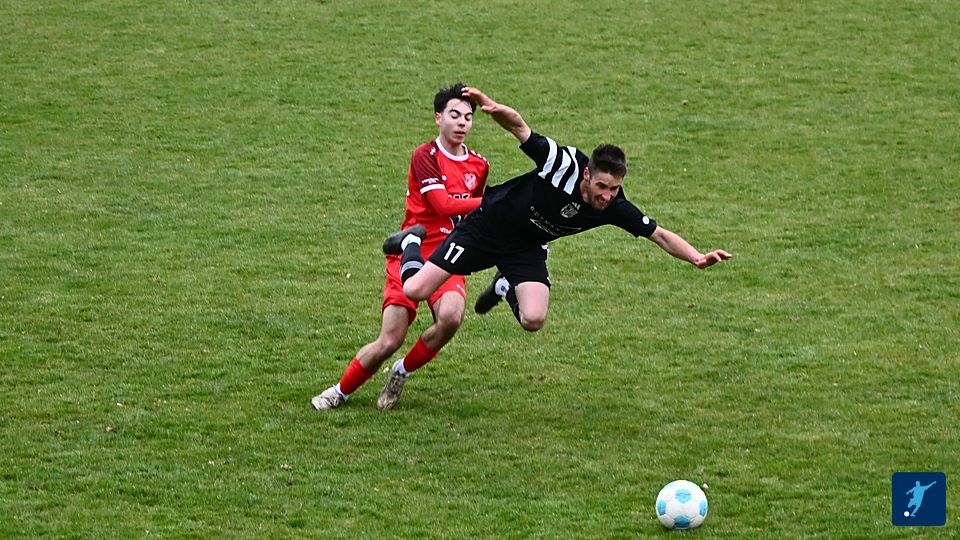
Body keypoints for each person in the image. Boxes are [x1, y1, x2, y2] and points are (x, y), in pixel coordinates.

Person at [390, 86, 731, 332]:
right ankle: (409, 242)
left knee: (534, 320)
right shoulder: (562, 164)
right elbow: (521, 128)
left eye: (613, 189)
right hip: (487, 227)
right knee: (415, 290)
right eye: (601, 187)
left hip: (525, 246)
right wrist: (494, 108)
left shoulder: (614, 206)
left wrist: (696, 257)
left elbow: (659, 235)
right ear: (587, 174)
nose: (606, 196)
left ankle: (505, 285)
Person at [311, 83, 489, 411]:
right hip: (411, 249)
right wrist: (492, 202)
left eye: (467, 117)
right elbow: (444, 204)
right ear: (438, 118)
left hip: (448, 254)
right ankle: (339, 391)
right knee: (390, 339)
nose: (462, 123)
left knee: (451, 318)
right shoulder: (426, 156)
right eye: (454, 115)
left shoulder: (479, 164)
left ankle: (401, 371)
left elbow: (470, 214)